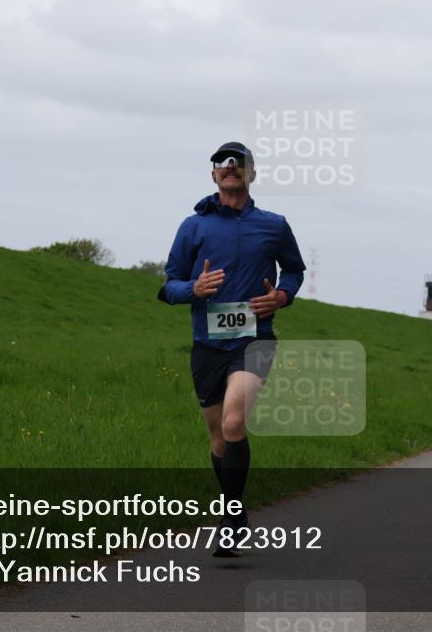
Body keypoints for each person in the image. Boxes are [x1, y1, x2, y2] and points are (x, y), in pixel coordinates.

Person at [158, 141, 305, 557]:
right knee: (218, 439)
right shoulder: (193, 227)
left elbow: (294, 270)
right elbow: (167, 286)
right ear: (213, 175)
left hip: (254, 338)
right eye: (221, 163)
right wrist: (193, 288)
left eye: (238, 163)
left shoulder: (274, 225)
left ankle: (229, 521)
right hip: (207, 345)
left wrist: (282, 296)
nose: (229, 168)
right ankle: (233, 510)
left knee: (234, 421)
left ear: (251, 173)